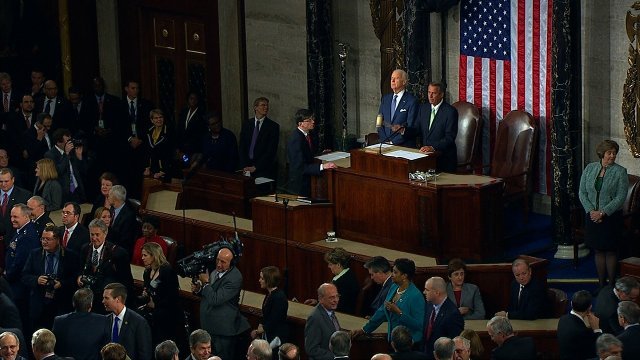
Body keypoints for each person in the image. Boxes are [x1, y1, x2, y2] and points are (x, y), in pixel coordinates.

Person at [578, 140, 629, 288]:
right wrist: (591, 211)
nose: (612, 156)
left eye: (614, 153)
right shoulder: (590, 168)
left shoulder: (620, 172)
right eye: (609, 153)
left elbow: (621, 197)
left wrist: (603, 212)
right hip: (592, 217)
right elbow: (582, 192)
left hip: (611, 218)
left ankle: (611, 285)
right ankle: (601, 285)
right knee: (598, 251)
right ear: (602, 154)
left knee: (610, 251)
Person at [191, 247, 250, 360]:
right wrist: (199, 289)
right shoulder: (214, 270)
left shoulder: (235, 278)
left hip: (223, 332)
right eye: (217, 260)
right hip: (208, 328)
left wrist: (206, 284)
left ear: (231, 263)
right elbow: (210, 293)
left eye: (223, 262)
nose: (218, 264)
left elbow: (216, 299)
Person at [21, 223, 81, 330]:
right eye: (42, 239)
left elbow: (75, 279)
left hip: (60, 306)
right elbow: (24, 276)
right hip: (38, 306)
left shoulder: (70, 256)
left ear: (57, 240)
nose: (44, 242)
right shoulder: (35, 254)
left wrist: (62, 283)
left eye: (48, 239)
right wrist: (36, 280)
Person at [354, 258, 425, 344]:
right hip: (393, 340)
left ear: (404, 276)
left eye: (395, 272)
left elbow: (419, 325)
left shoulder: (416, 296)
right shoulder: (394, 287)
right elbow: (382, 311)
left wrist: (399, 313)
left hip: (409, 344)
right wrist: (364, 329)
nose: (392, 275)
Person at [77, 219, 134, 314]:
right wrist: (79, 277)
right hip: (88, 299)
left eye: (97, 234)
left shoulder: (118, 253)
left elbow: (126, 282)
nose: (94, 238)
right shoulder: (85, 249)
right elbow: (80, 269)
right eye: (92, 234)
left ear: (105, 233)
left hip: (107, 303)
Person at [404, 82, 458, 173]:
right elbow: (417, 129)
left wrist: (433, 147)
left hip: (443, 158)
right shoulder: (423, 108)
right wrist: (403, 130)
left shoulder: (450, 112)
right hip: (426, 158)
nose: (430, 96)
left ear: (441, 95)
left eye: (434, 93)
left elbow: (450, 137)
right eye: (429, 92)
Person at [4, 203, 40, 329]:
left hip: (19, 286)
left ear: (26, 217)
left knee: (19, 319)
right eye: (11, 216)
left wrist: (6, 277)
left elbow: (20, 263)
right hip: (14, 283)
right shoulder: (21, 231)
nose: (12, 219)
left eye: (16, 217)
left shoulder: (27, 236)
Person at [286, 109, 336, 197]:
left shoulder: (308, 135)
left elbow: (307, 155)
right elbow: (299, 166)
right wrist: (322, 166)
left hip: (309, 181)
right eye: (309, 120)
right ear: (300, 123)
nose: (313, 122)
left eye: (313, 119)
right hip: (301, 184)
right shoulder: (296, 139)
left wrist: (320, 154)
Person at [139, 242, 181, 347]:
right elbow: (148, 290)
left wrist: (156, 304)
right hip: (152, 314)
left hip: (167, 315)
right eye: (142, 255)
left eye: (145, 255)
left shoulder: (167, 271)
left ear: (154, 255)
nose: (142, 258)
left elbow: (173, 298)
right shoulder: (147, 272)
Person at [52, 288, 110, 360]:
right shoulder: (103, 321)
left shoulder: (59, 321)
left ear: (73, 303)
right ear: (91, 304)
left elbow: (54, 348)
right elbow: (105, 349)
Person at [121, 80, 154, 199]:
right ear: (126, 89)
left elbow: (149, 124)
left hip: (141, 146)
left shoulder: (146, 104)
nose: (136, 91)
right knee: (128, 177)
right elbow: (117, 125)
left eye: (137, 88)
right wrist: (130, 138)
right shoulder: (119, 104)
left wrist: (139, 138)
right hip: (126, 147)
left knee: (140, 178)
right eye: (133, 88)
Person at [102, 282, 152, 360]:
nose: (103, 301)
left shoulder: (139, 322)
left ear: (117, 299)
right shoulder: (105, 320)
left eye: (106, 298)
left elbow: (145, 354)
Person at [239, 97, 280, 180]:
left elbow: (271, 151)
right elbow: (242, 146)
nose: (266, 107)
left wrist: (256, 167)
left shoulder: (273, 127)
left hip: (263, 169)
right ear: (255, 107)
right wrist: (244, 165)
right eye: (263, 105)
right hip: (246, 167)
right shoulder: (247, 124)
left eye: (267, 105)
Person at [423, 277, 464, 359]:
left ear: (437, 293)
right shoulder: (429, 306)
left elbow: (454, 343)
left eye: (427, 290)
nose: (424, 292)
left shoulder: (453, 314)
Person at [44, 128, 88, 203]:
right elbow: (58, 172)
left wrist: (79, 156)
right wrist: (66, 154)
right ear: (58, 142)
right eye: (67, 141)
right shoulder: (50, 155)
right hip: (63, 193)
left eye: (70, 140)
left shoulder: (72, 151)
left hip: (77, 190)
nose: (70, 143)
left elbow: (83, 171)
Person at [376, 69, 418, 146]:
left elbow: (410, 126)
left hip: (402, 146)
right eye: (392, 78)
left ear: (404, 82)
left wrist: (393, 142)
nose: (393, 80)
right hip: (384, 144)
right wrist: (384, 140)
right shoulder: (385, 99)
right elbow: (379, 121)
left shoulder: (411, 101)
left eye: (396, 78)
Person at [556, 290, 601, 360]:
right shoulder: (581, 331)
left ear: (571, 304)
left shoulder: (563, 319)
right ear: (589, 308)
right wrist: (597, 329)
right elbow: (597, 350)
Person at [251, 266, 289, 344]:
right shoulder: (270, 294)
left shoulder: (279, 297)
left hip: (276, 337)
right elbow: (266, 315)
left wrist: (260, 330)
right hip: (269, 334)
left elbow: (275, 319)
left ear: (268, 280)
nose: (259, 280)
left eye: (262, 278)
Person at [304, 283, 341, 360]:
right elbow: (311, 349)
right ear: (321, 299)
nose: (335, 300)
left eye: (337, 296)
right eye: (331, 297)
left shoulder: (330, 312)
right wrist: (335, 357)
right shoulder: (315, 318)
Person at [324, 247, 359, 315]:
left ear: (338, 264)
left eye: (330, 264)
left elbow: (335, 304)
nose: (328, 266)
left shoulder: (340, 282)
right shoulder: (349, 274)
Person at [0, 168, 31, 241]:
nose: (3, 184)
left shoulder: (25, 196)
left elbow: (27, 220)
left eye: (6, 181)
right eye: (1, 181)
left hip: (16, 239)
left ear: (13, 179)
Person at [144, 109, 174, 183]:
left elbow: (170, 153)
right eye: (156, 118)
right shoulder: (149, 131)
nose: (159, 120)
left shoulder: (169, 131)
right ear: (152, 120)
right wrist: (147, 167)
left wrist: (163, 171)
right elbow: (147, 151)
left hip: (164, 169)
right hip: (152, 168)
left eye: (161, 117)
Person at [107, 185, 138, 257]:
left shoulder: (129, 216)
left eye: (110, 195)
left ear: (116, 198)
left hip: (119, 251)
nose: (108, 197)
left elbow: (124, 240)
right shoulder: (111, 209)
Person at [176, 91, 206, 159]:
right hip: (182, 147)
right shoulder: (184, 111)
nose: (193, 101)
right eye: (191, 98)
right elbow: (179, 129)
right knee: (182, 164)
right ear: (188, 100)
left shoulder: (201, 114)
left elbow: (200, 134)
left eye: (195, 99)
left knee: (190, 165)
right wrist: (178, 147)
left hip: (194, 148)